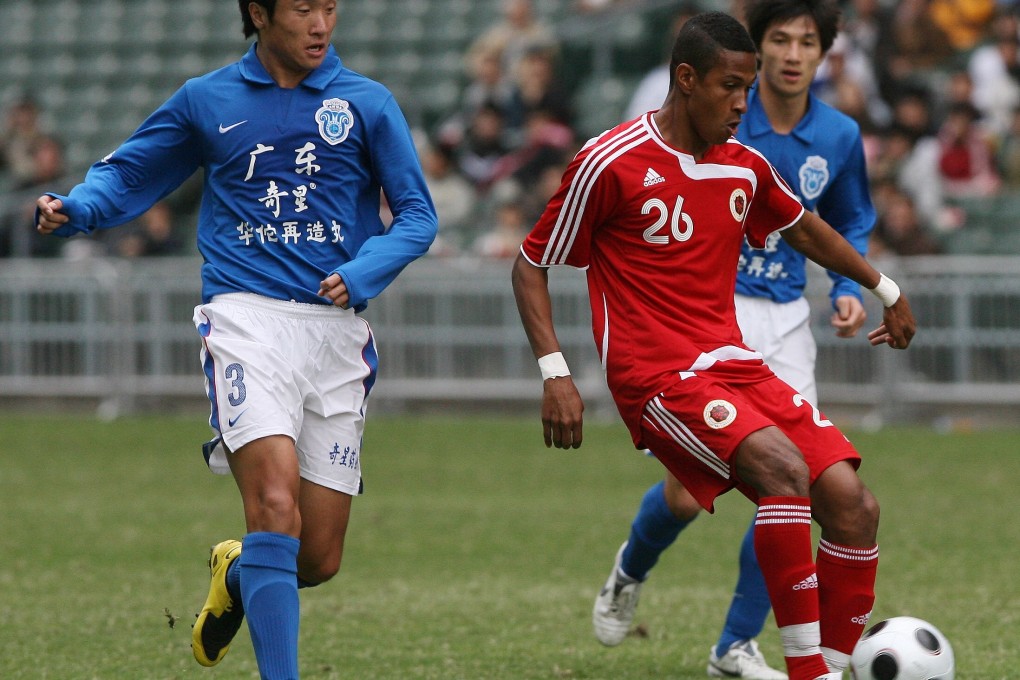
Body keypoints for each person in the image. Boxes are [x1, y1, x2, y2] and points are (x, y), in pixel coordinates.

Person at [34, 1, 438, 678]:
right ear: (259, 12)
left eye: (330, 7)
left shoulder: (366, 103)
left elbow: (418, 214)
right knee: (274, 505)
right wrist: (77, 208)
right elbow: (130, 173)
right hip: (245, 320)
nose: (321, 24)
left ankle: (240, 571)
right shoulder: (207, 99)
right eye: (304, 8)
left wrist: (364, 269)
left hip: (335, 333)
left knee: (318, 557)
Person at [511, 11, 916, 680]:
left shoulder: (742, 166)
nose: (740, 104)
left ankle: (832, 665)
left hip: (735, 362)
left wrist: (886, 289)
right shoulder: (609, 161)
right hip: (656, 377)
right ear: (685, 78)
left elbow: (807, 229)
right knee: (774, 475)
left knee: (853, 503)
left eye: (746, 89)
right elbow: (532, 264)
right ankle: (797, 668)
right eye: (729, 87)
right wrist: (555, 374)